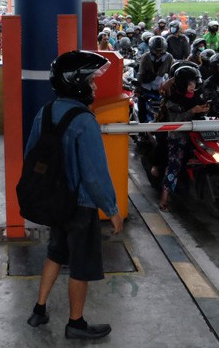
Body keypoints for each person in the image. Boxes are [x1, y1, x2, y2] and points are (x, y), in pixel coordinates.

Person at [26, 51, 123, 340]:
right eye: (91, 81)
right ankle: (76, 323)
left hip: (55, 202)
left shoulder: (44, 112)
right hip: (81, 206)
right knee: (81, 265)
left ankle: (39, 309)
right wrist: (112, 209)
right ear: (76, 82)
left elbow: (31, 155)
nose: (94, 87)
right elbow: (94, 175)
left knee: (56, 252)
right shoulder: (84, 120)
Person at [151, 66, 210, 210]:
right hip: (177, 136)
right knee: (174, 165)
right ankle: (164, 196)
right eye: (189, 84)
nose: (193, 87)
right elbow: (176, 120)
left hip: (196, 134)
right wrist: (192, 111)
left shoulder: (197, 95)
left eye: (194, 84)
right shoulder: (173, 99)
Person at [136, 36, 173, 122]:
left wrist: (169, 88)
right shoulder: (145, 57)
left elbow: (171, 73)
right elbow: (141, 73)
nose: (158, 53)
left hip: (160, 87)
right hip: (145, 87)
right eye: (156, 50)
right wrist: (138, 88)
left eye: (160, 51)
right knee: (141, 109)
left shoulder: (169, 58)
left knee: (166, 108)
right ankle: (142, 131)